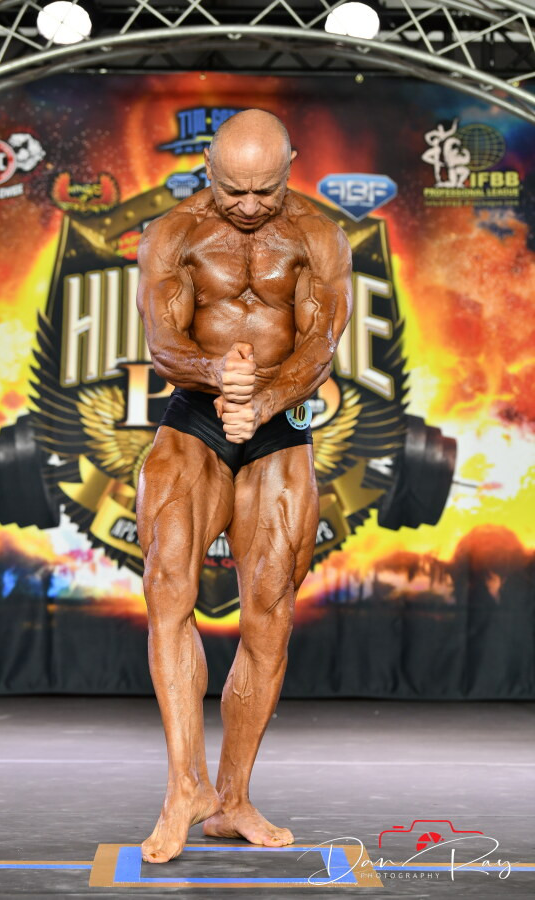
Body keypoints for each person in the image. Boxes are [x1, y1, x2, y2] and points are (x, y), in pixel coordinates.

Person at [135, 108, 352, 863]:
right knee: (168, 586)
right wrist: (215, 375)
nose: (251, 206)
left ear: (290, 167)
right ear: (209, 169)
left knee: (269, 612)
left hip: (279, 422)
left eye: (266, 190)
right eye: (234, 190)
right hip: (196, 417)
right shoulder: (174, 233)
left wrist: (264, 399)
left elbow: (321, 343)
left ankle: (233, 799)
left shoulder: (319, 236)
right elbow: (162, 341)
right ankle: (183, 788)